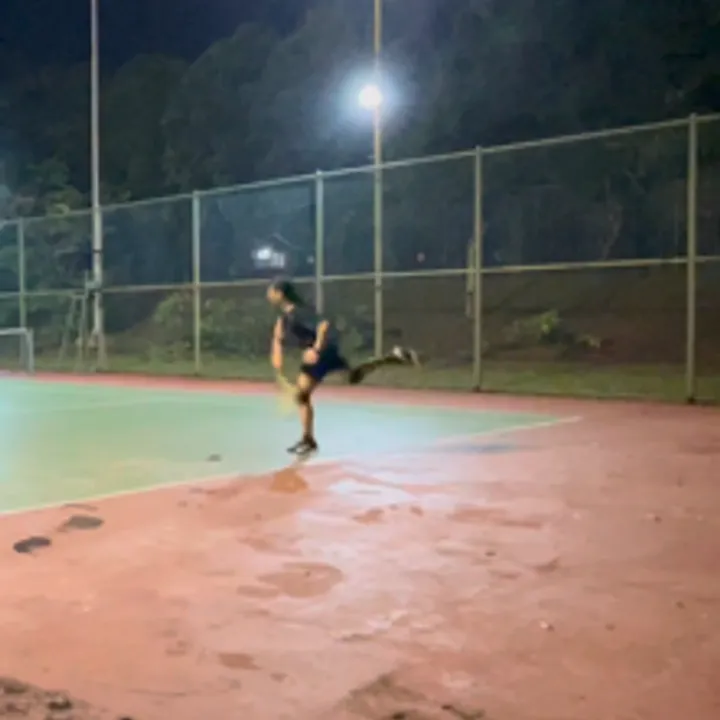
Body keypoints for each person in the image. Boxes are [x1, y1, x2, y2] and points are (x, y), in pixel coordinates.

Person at [267, 277, 419, 456]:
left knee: (302, 396)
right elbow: (279, 338)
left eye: (271, 291)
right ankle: (392, 357)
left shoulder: (299, 311)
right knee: (350, 378)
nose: (268, 295)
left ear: (280, 293)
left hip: (322, 355)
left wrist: (315, 349)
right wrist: (277, 356)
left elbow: (323, 325)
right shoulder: (286, 317)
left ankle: (308, 440)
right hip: (322, 355)